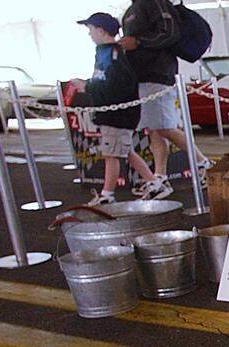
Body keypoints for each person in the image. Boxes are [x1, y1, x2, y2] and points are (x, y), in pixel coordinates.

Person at [119, 0, 211, 200]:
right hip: (142, 77)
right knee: (155, 129)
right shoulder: (132, 10)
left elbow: (170, 33)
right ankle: (160, 177)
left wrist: (139, 42)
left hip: (158, 75)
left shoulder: (155, 3)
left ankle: (204, 163)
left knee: (164, 127)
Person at [69, 13, 156, 206]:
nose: (90, 34)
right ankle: (153, 182)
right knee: (125, 150)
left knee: (112, 154)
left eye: (91, 29)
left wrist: (87, 86)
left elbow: (114, 84)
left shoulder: (112, 54)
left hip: (115, 114)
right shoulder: (108, 52)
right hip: (113, 113)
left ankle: (107, 194)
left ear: (101, 31)